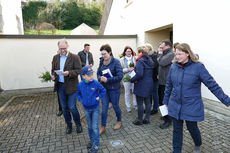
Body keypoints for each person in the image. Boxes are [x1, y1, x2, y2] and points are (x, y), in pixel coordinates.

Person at [163, 43, 230, 153]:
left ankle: (198, 144)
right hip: (175, 104)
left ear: (188, 54)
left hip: (191, 105)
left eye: (180, 54)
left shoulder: (198, 67)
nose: (177, 56)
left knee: (192, 128)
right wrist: (165, 101)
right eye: (176, 54)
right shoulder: (174, 66)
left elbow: (212, 85)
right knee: (177, 130)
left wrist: (226, 100)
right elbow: (169, 85)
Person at [51, 39, 82, 134]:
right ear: (58, 48)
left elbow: (79, 70)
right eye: (61, 49)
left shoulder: (75, 57)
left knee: (72, 107)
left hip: (72, 86)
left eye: (64, 48)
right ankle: (69, 125)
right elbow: (53, 70)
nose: (63, 50)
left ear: (67, 47)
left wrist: (68, 73)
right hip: (60, 86)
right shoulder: (55, 57)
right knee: (64, 108)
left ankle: (78, 124)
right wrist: (53, 76)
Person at [77, 66, 106, 153]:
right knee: (89, 126)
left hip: (95, 108)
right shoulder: (80, 84)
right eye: (89, 75)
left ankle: (96, 146)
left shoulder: (96, 83)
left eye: (92, 74)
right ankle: (92, 140)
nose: (91, 77)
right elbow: (78, 94)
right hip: (86, 109)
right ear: (83, 76)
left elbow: (103, 90)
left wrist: (98, 97)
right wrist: (81, 100)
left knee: (95, 127)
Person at [97, 44, 123, 135]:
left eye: (105, 54)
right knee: (104, 108)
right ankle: (103, 126)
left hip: (114, 89)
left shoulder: (116, 62)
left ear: (110, 52)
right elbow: (98, 73)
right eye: (102, 54)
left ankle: (119, 121)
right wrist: (100, 78)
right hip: (104, 89)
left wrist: (108, 79)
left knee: (115, 106)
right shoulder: (101, 62)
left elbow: (120, 76)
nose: (103, 56)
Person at [131, 45, 154, 125]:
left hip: (141, 84)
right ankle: (147, 119)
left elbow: (139, 74)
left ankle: (139, 120)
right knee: (148, 102)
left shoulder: (140, 60)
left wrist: (132, 79)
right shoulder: (150, 59)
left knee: (140, 103)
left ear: (140, 52)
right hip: (149, 83)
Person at [157, 40, 174, 129]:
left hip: (166, 82)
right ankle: (165, 116)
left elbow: (162, 62)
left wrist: (159, 53)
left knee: (164, 101)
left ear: (168, 46)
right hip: (162, 81)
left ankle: (168, 120)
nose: (161, 48)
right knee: (161, 101)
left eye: (162, 46)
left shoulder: (171, 54)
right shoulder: (165, 53)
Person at [120, 46, 137, 112]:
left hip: (134, 77)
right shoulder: (121, 60)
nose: (129, 52)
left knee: (134, 92)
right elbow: (120, 69)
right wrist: (127, 69)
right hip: (126, 78)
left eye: (130, 51)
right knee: (127, 92)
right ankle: (128, 106)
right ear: (125, 52)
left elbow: (138, 67)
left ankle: (135, 105)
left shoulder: (135, 58)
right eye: (127, 51)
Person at [146, 43, 159, 115]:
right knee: (149, 94)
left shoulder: (154, 56)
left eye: (145, 49)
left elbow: (154, 66)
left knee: (155, 94)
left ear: (149, 49)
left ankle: (155, 108)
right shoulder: (148, 56)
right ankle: (149, 107)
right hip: (149, 78)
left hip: (154, 78)